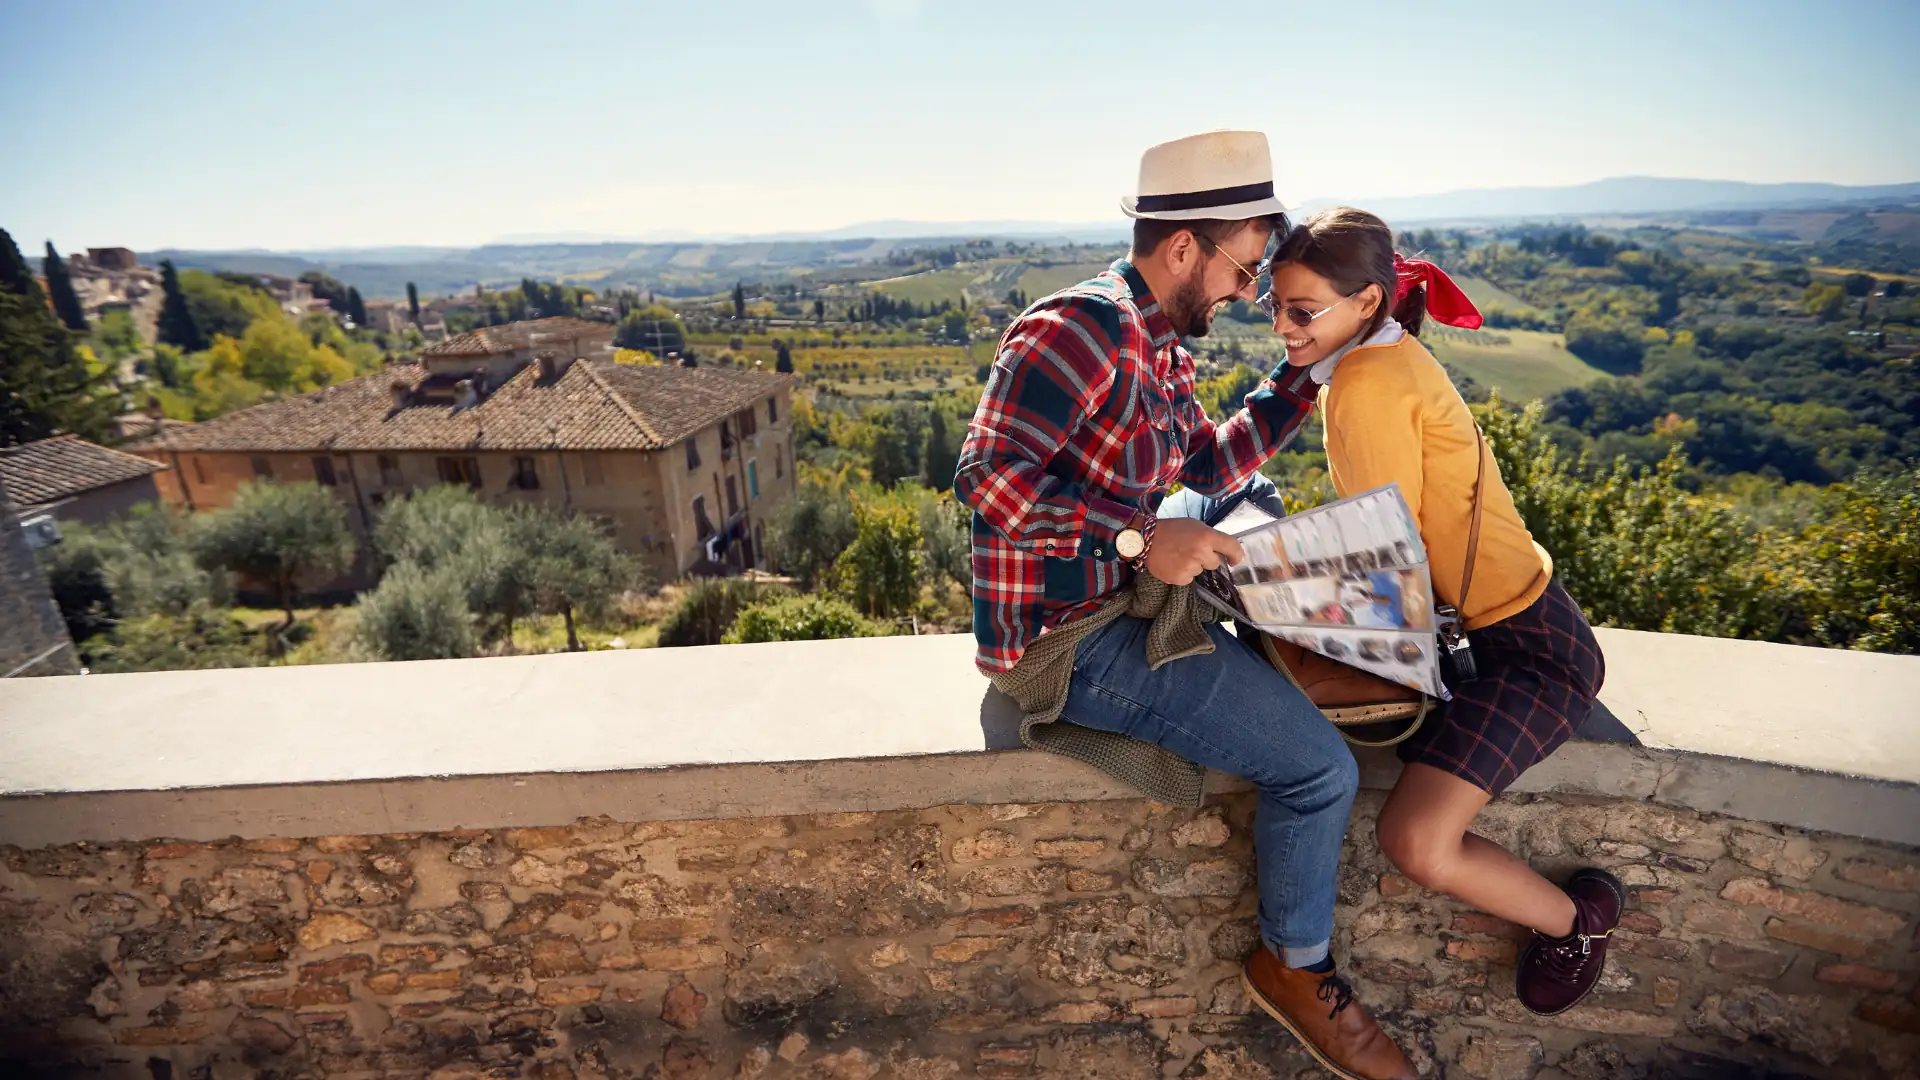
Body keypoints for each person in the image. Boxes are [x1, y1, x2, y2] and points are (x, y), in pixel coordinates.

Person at [956, 133, 1416, 1080]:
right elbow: (986, 481)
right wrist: (1137, 541)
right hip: (1066, 637)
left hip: (1123, 576)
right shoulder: (1076, 330)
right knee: (1320, 774)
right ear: (1182, 250)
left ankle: (1283, 626)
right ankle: (1295, 969)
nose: (1249, 294)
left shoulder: (1154, 336)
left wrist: (1306, 368)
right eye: (1244, 269)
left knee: (1256, 507)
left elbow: (1201, 468)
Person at [1264, 207, 1615, 1016]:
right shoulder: (1386, 353)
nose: (1283, 327)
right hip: (1503, 626)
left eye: (1302, 310)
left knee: (1416, 843)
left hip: (1527, 651)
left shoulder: (1363, 385)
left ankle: (1580, 923)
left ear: (1366, 302)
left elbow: (1388, 557)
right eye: (1275, 307)